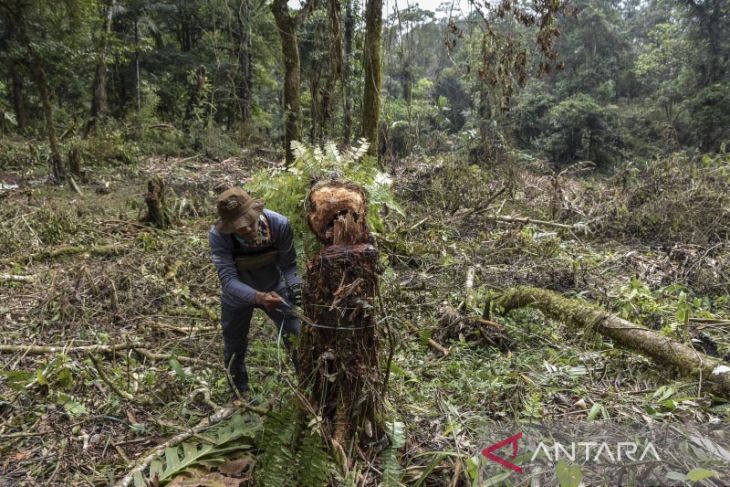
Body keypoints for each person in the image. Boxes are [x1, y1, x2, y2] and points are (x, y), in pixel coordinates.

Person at [208, 187, 302, 398]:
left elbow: (289, 267)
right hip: (237, 295)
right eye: (240, 227)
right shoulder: (219, 237)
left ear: (257, 211)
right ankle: (239, 395)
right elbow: (228, 280)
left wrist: (296, 290)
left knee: (296, 335)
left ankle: (308, 383)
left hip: (275, 287)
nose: (248, 230)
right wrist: (256, 296)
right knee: (234, 344)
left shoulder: (279, 225)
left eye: (250, 222)